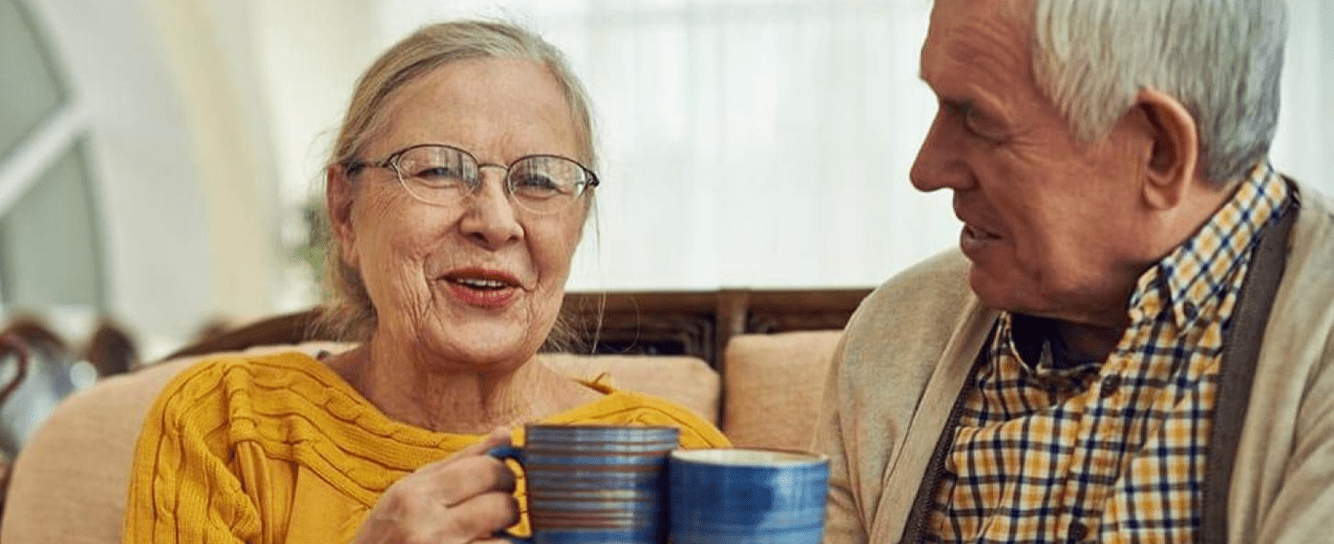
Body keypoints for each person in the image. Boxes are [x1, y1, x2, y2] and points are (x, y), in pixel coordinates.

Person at [122, 20, 728, 544]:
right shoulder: (227, 426)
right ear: (344, 212)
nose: (494, 222)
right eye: (439, 169)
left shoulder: (680, 460)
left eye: (540, 180)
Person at [815, 0, 1334, 542]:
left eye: (979, 120)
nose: (927, 170)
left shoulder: (1318, 360)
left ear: (1158, 151)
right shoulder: (892, 336)